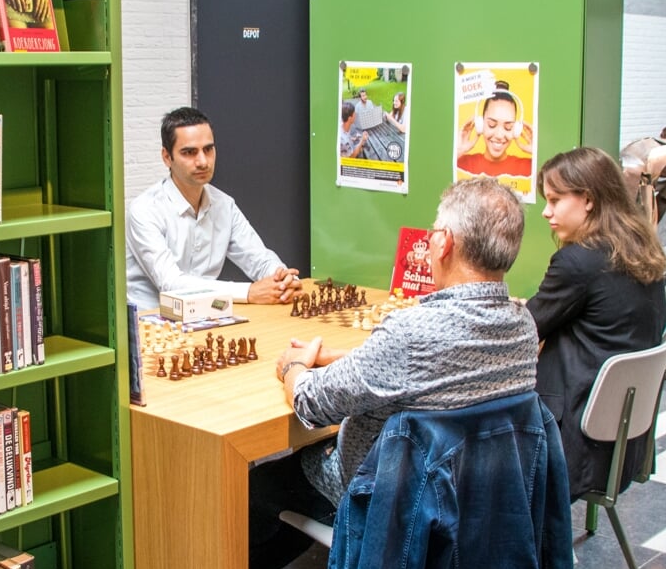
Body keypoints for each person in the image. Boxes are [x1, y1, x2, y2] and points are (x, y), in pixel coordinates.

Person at [276, 176, 539, 507]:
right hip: (482, 497)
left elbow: (311, 403)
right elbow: (441, 367)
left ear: (444, 243)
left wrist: (294, 366)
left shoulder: (411, 333)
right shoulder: (524, 325)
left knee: (262, 487)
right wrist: (340, 356)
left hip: (391, 501)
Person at [527, 146, 666, 500]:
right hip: (621, 442)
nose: (546, 212)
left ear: (588, 200)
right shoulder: (642, 249)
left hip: (570, 442)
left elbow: (523, 331)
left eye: (556, 200)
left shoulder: (578, 262)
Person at [125, 106, 300, 309]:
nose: (202, 161)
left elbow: (259, 258)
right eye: (189, 152)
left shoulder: (224, 205)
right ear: (167, 157)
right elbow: (171, 284)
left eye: (208, 149)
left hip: (208, 313)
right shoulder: (145, 211)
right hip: (152, 323)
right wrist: (249, 292)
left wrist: (281, 278)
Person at [456, 80, 534, 178]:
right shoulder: (462, 164)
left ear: (516, 129)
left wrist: (537, 151)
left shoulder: (530, 168)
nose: (499, 135)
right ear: (480, 123)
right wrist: (458, 151)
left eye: (508, 127)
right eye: (492, 124)